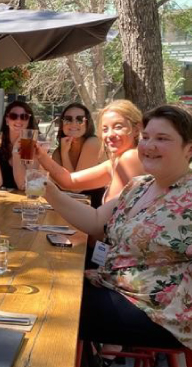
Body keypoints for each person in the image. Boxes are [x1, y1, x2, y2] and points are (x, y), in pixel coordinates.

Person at [43, 104, 192, 354]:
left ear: (189, 149)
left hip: (158, 314)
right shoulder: (139, 186)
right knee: (51, 285)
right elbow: (94, 220)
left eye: (162, 139)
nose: (149, 145)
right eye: (145, 137)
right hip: (112, 287)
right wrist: (47, 190)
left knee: (52, 305)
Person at [37, 99, 145, 204]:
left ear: (136, 129)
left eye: (118, 127)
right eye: (105, 129)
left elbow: (75, 190)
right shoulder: (114, 163)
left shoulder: (129, 156)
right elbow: (69, 182)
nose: (110, 134)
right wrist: (40, 154)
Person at [51, 103, 104, 207]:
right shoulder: (57, 152)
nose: (73, 123)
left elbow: (75, 188)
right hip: (70, 211)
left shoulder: (93, 143)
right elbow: (63, 187)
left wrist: (64, 154)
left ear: (87, 123)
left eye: (80, 119)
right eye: (68, 119)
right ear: (62, 124)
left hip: (95, 213)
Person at [0, 100, 38, 190]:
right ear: (7, 120)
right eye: (13, 116)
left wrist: (16, 150)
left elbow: (24, 185)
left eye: (24, 117)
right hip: (2, 199)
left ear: (29, 121)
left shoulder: (32, 146)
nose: (18, 120)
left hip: (26, 198)